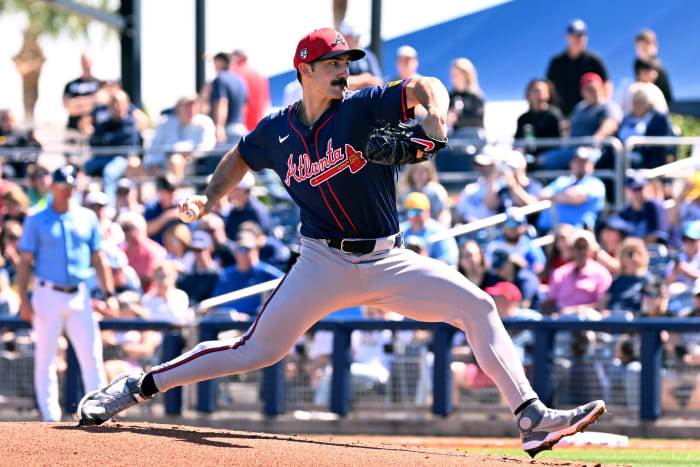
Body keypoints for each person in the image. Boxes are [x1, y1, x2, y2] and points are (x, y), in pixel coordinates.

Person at [77, 27, 605, 457]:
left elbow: (426, 87)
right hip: (321, 262)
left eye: (346, 61)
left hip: (389, 259)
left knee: (479, 305)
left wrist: (436, 117)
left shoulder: (364, 106)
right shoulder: (276, 130)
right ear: (304, 69)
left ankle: (531, 418)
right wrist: (208, 199)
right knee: (255, 350)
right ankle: (135, 387)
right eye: (332, 62)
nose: (343, 69)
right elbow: (239, 156)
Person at [17, 165, 119, 422]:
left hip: (79, 294)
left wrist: (109, 293)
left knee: (92, 356)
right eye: (63, 187)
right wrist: (23, 300)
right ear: (53, 187)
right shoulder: (36, 219)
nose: (67, 192)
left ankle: (99, 412)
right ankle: (50, 417)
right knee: (46, 357)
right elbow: (24, 261)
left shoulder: (87, 217)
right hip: (46, 293)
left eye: (71, 187)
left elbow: (98, 258)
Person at [537, 72, 622, 170]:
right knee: (542, 159)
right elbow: (569, 126)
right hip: (572, 149)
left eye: (597, 88)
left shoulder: (609, 106)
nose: (594, 91)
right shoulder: (580, 107)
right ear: (582, 92)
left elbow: (611, 124)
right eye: (589, 89)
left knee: (552, 161)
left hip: (596, 150)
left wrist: (593, 141)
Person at [210, 230, 284, 317]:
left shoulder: (268, 273)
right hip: (224, 321)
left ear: (256, 251)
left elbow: (285, 286)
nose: (244, 253)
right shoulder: (225, 274)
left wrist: (250, 316)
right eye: (240, 249)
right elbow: (214, 303)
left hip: (253, 323)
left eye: (247, 249)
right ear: (235, 252)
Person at [546, 19, 610, 117]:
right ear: (568, 37)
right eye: (575, 35)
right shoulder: (556, 62)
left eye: (581, 35)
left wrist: (602, 107)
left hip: (589, 114)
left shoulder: (594, 61)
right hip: (562, 114)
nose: (579, 39)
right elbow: (548, 86)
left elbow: (606, 84)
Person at [541, 229, 612, 317]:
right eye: (578, 247)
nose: (581, 252)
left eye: (584, 247)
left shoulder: (602, 274)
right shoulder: (560, 273)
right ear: (572, 249)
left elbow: (603, 305)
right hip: (562, 323)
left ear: (592, 249)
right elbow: (549, 303)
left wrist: (576, 310)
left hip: (589, 323)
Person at [537, 146, 606, 233]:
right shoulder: (562, 181)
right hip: (547, 232)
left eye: (584, 162)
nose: (581, 165)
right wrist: (563, 196)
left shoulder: (596, 184)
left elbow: (576, 197)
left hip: (575, 235)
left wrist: (554, 196)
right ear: (572, 163)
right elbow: (541, 195)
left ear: (592, 165)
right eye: (578, 162)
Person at [145, 95, 216, 178]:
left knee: (175, 160)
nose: (191, 109)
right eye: (187, 106)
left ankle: (173, 189)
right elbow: (154, 147)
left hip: (194, 165)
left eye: (194, 106)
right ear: (178, 108)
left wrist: (187, 153)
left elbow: (207, 146)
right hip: (162, 165)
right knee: (134, 164)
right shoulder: (164, 122)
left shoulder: (205, 122)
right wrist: (155, 163)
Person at [618, 85, 675, 169]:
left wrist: (636, 145)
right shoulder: (626, 118)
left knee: (631, 160)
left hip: (646, 157)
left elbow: (660, 144)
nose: (637, 105)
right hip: (622, 153)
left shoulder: (658, 119)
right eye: (635, 102)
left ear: (647, 103)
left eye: (640, 102)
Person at [399, 192, 458, 266]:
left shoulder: (440, 232)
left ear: (428, 212)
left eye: (418, 211)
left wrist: (425, 260)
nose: (415, 216)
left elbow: (451, 261)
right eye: (411, 212)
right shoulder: (400, 231)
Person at [600, 237, 652, 319]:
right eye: (630, 254)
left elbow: (650, 311)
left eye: (638, 253)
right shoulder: (616, 282)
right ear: (622, 257)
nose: (635, 258)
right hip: (611, 323)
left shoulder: (649, 281)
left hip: (634, 325)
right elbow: (603, 305)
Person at [485, 208, 545, 274]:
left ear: (524, 226)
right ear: (502, 226)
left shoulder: (530, 246)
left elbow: (540, 270)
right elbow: (486, 269)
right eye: (509, 223)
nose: (512, 227)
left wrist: (522, 266)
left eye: (517, 223)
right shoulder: (493, 247)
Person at [118, 211, 167, 292]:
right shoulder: (121, 251)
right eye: (123, 228)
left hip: (149, 295)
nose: (125, 232)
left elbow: (151, 277)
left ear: (139, 228)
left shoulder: (153, 250)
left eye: (128, 228)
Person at [514, 79, 563, 156]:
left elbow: (559, 143)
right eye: (536, 91)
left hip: (550, 156)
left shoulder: (554, 115)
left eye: (543, 91)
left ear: (548, 94)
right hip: (527, 156)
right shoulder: (523, 119)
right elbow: (518, 142)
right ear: (528, 94)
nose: (540, 94)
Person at [618, 171, 668, 243]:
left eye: (641, 188)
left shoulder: (656, 206)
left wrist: (632, 246)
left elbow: (654, 237)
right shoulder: (624, 212)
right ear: (626, 190)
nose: (639, 193)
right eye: (635, 189)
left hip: (656, 252)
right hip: (632, 251)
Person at [210, 52, 248, 145]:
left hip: (228, 130)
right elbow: (245, 106)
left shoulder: (220, 79)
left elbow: (222, 103)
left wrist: (219, 127)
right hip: (241, 128)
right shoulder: (241, 80)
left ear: (221, 62)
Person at [396, 161, 450, 225]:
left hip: (431, 228)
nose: (419, 174)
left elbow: (443, 213)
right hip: (411, 229)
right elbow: (404, 213)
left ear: (429, 172)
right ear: (411, 173)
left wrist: (441, 230)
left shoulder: (436, 190)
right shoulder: (405, 191)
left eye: (423, 171)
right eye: (416, 170)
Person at [175, 230, 220, 305]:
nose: (196, 254)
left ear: (210, 248)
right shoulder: (188, 277)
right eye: (193, 250)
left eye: (199, 250)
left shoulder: (219, 275)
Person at [230, 49, 271, 132]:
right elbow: (266, 103)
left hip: (240, 126)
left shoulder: (234, 72)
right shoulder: (259, 74)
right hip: (258, 126)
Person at [224, 171, 272, 238]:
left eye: (235, 188)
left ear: (245, 190)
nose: (230, 191)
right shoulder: (233, 210)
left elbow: (263, 239)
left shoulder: (257, 211)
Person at [63, 52, 101, 133]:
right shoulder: (70, 84)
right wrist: (92, 101)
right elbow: (68, 107)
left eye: (87, 61)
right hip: (73, 130)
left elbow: (101, 104)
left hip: (94, 131)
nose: (86, 64)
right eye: (84, 61)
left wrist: (76, 102)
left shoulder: (100, 84)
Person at [338, 21, 383, 90]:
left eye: (358, 36)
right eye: (354, 37)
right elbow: (337, 83)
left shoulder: (368, 56)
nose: (358, 40)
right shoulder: (336, 56)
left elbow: (378, 83)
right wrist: (364, 80)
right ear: (344, 37)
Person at [0, 107, 42, 178]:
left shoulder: (21, 133)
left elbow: (36, 146)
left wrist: (36, 137)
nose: (9, 122)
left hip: (21, 164)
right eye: (4, 119)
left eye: (11, 119)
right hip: (5, 167)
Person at [447, 58, 485, 134]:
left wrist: (457, 119)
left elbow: (478, 121)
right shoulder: (450, 96)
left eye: (456, 75)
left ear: (466, 75)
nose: (452, 78)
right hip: (454, 136)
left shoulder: (476, 96)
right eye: (452, 75)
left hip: (473, 137)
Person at [634, 29, 672, 105]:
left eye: (645, 47)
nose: (641, 51)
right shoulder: (638, 63)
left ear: (654, 45)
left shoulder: (657, 65)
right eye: (639, 48)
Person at [144, 174, 183, 245]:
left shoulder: (182, 206)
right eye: (168, 190)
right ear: (159, 192)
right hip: (156, 250)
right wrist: (167, 216)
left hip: (178, 252)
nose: (172, 194)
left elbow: (190, 233)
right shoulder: (152, 207)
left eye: (173, 190)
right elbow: (146, 230)